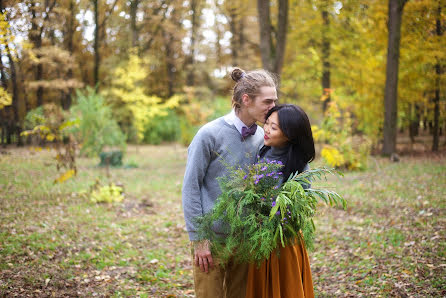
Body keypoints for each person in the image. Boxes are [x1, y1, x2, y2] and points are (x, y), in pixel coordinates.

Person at [182, 68, 278, 298]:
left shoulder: (263, 137)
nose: (273, 107)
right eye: (268, 101)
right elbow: (191, 187)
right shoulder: (209, 134)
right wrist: (199, 238)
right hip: (211, 242)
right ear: (246, 100)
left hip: (247, 242)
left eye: (275, 100)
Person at [245, 104, 315, 298]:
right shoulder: (263, 153)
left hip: (283, 242)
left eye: (273, 127)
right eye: (266, 123)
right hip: (259, 239)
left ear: (290, 135)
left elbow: (299, 212)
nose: (266, 129)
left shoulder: (299, 167)